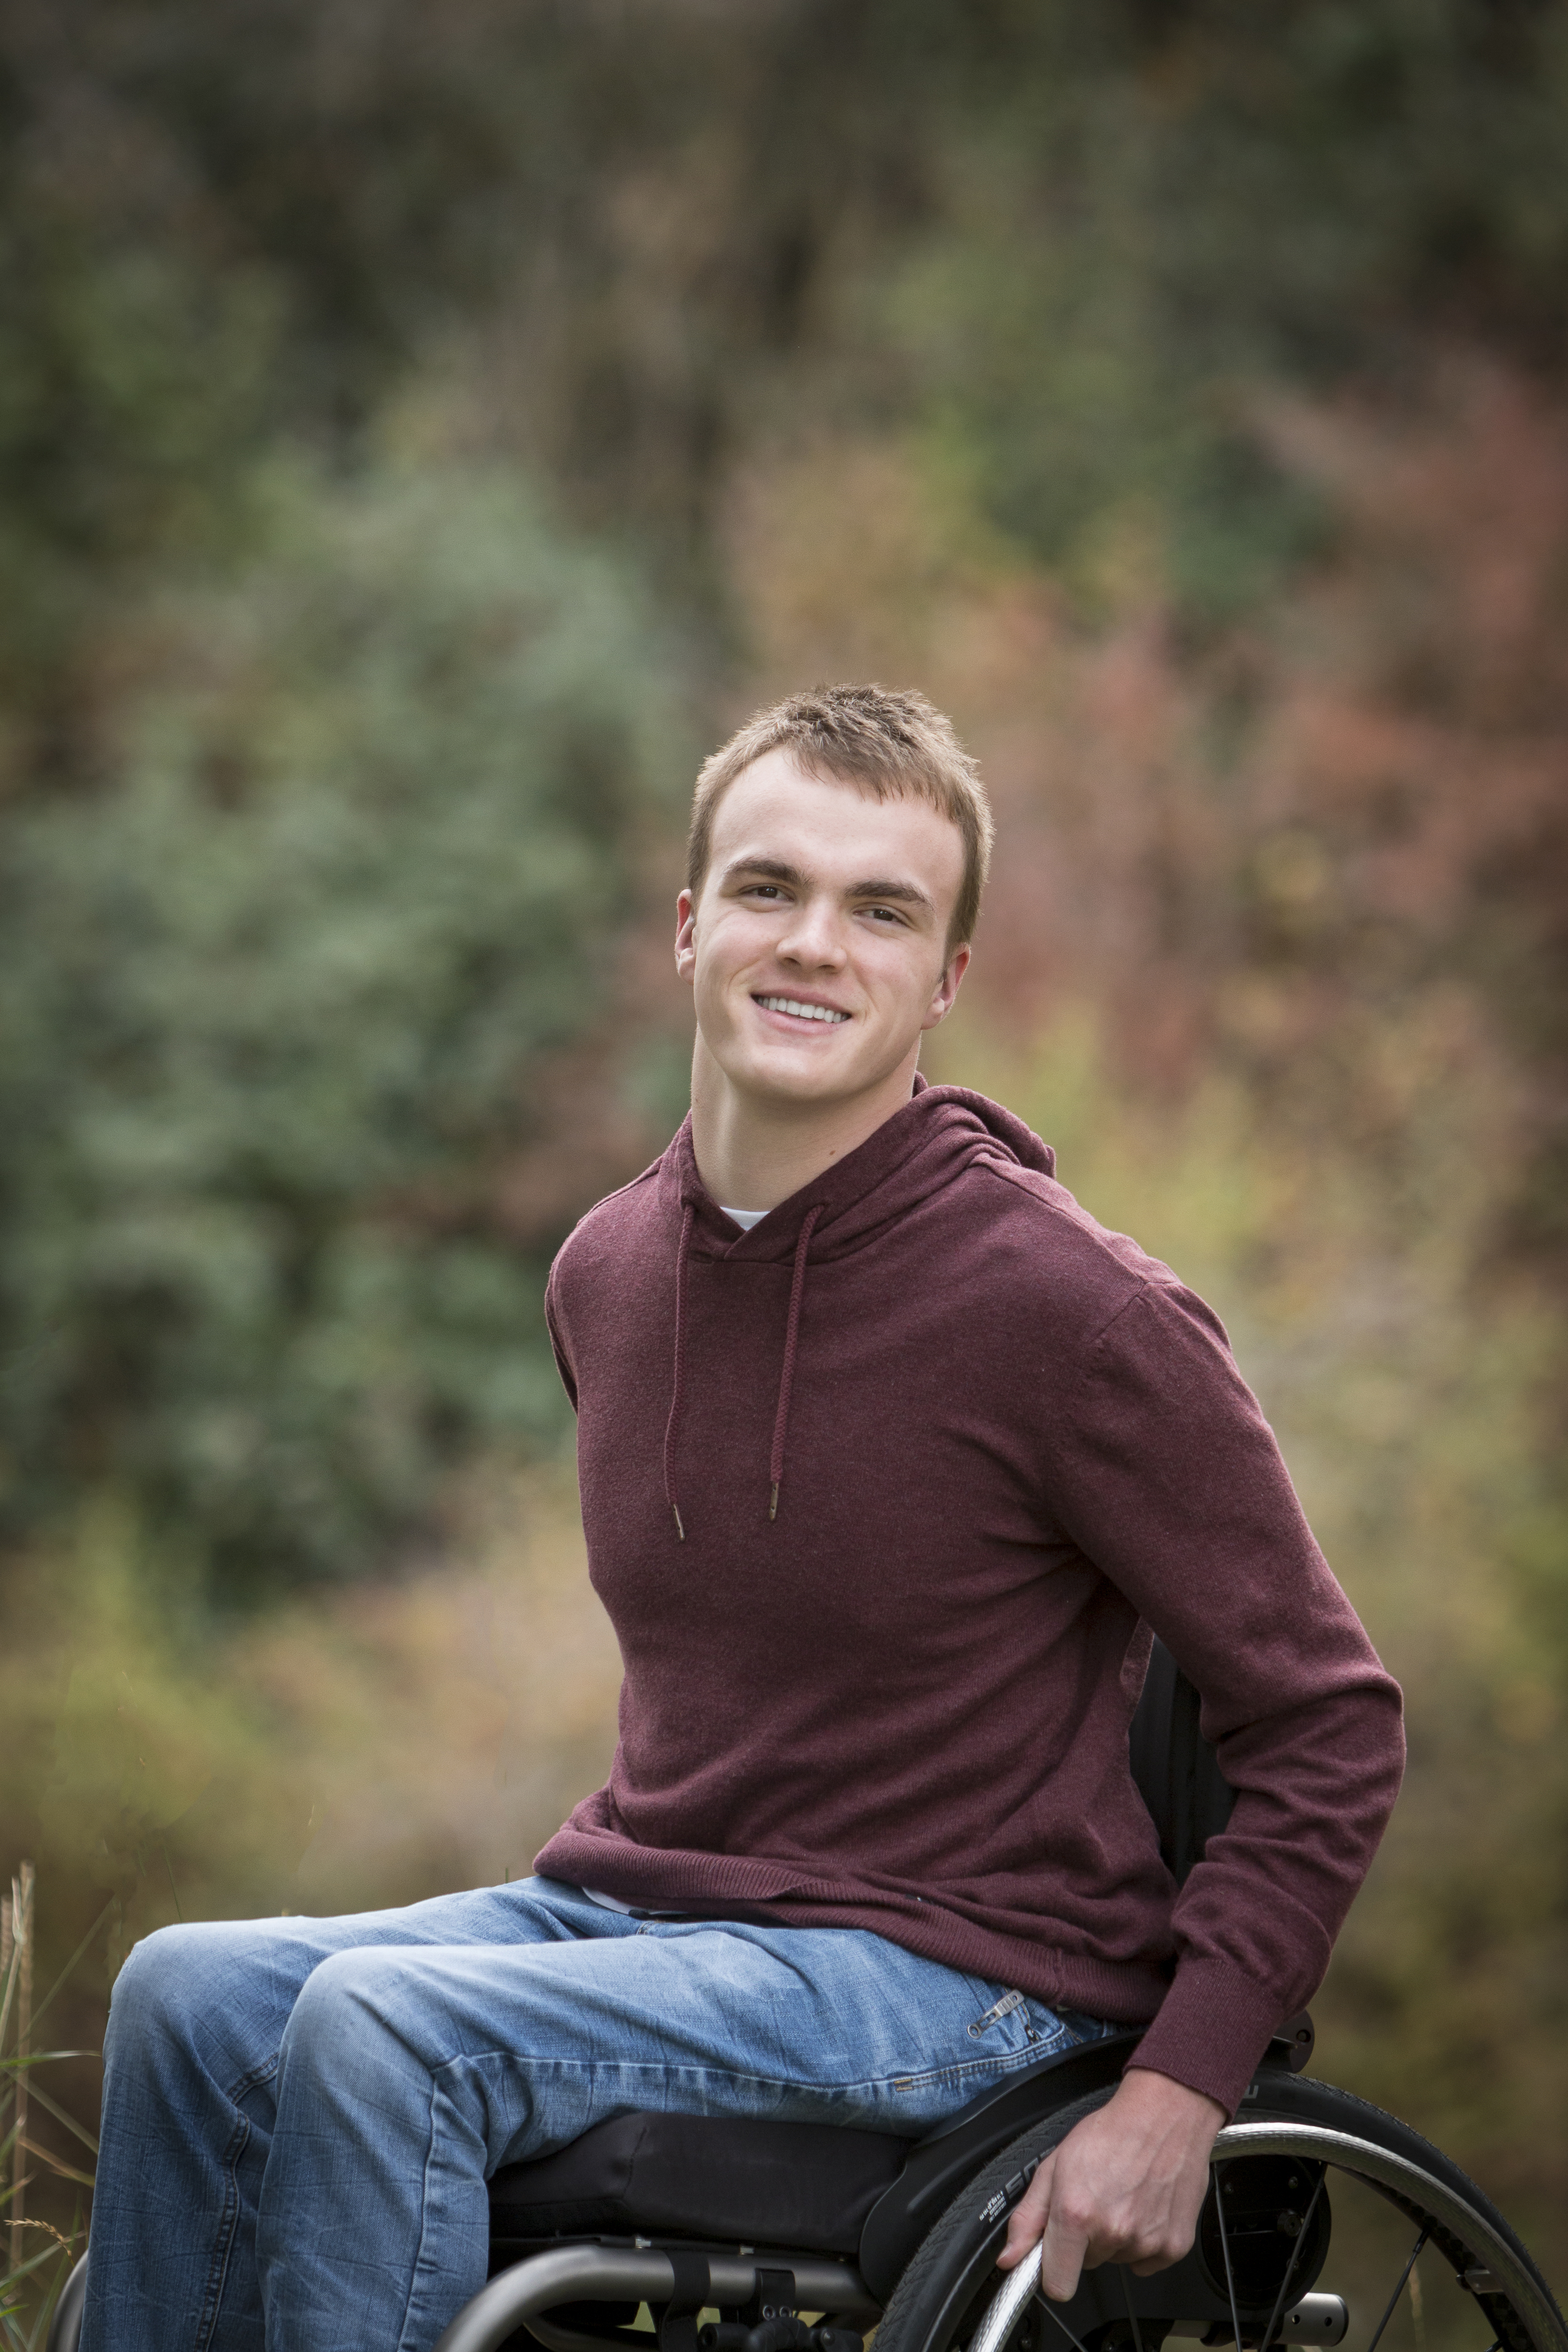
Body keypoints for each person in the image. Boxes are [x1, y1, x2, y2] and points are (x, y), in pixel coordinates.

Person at [80, 684, 1405, 2352]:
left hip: (962, 1977)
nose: (816, 945)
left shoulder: (1076, 1318)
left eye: (884, 910)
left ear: (947, 981)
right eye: (772, 890)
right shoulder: (606, 1276)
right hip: (652, 1908)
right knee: (182, 1997)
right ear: (692, 926)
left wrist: (1183, 2084)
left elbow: (1331, 1723)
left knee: (385, 2030)